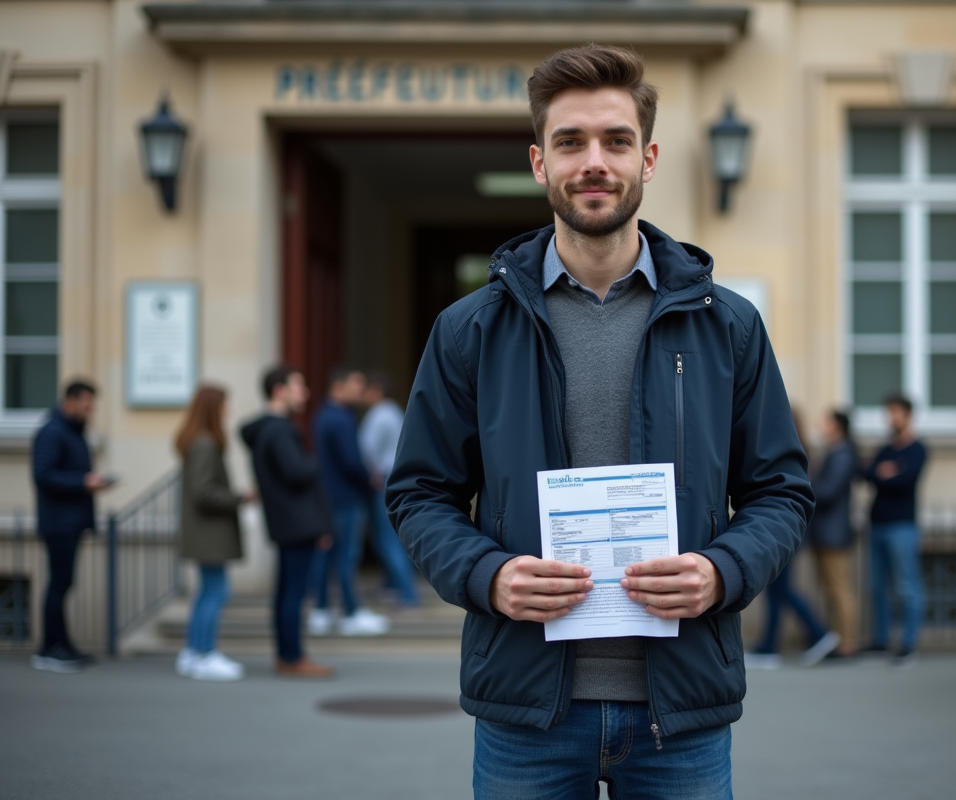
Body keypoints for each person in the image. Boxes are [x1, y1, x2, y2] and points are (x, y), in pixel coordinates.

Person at [388, 45, 812, 799]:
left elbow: (781, 491)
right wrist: (487, 576)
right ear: (538, 161)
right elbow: (419, 493)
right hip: (527, 714)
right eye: (570, 142)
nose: (594, 161)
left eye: (615, 141)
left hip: (680, 714)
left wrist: (722, 572)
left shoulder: (728, 327)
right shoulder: (471, 330)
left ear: (647, 159)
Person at [240, 366, 334, 679]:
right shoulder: (279, 429)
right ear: (279, 390)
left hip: (285, 521)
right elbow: (295, 472)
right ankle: (292, 657)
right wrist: (314, 463)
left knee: (286, 592)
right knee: (294, 593)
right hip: (297, 522)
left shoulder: (267, 429)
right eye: (298, 386)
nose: (304, 393)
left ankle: (286, 654)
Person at [30, 379, 115, 672]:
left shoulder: (71, 432)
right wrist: (83, 481)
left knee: (63, 584)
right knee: (58, 584)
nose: (90, 411)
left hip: (70, 522)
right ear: (70, 402)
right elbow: (43, 474)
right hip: (59, 523)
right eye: (86, 404)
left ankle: (60, 644)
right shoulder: (53, 432)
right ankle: (51, 648)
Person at [174, 384, 255, 682]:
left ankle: (195, 652)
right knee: (216, 592)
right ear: (213, 408)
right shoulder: (205, 443)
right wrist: (239, 498)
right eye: (224, 404)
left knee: (207, 592)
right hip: (209, 532)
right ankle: (204, 653)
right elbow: (204, 492)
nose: (228, 409)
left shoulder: (198, 440)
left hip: (203, 531)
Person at [750, 407, 840, 668]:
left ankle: (819, 634)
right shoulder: (801, 449)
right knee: (777, 588)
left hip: (787, 528)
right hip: (793, 527)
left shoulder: (788, 451)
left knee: (781, 588)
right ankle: (769, 646)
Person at [308, 367, 390, 636]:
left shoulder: (323, 415)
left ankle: (321, 609)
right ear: (339, 386)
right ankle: (351, 612)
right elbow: (352, 461)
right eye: (356, 385)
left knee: (327, 555)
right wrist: (370, 479)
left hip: (329, 498)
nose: (360, 391)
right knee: (346, 556)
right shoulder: (340, 419)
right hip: (347, 498)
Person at [862, 393, 927, 667]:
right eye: (888, 412)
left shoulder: (917, 449)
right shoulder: (886, 449)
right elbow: (866, 475)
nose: (890, 417)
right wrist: (883, 472)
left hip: (902, 526)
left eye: (895, 412)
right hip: (877, 525)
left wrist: (885, 474)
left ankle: (908, 644)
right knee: (878, 587)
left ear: (908, 415)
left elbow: (905, 480)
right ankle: (881, 639)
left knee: (906, 586)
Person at [359, 371, 421, 609]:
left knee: (386, 539)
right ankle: (393, 585)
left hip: (381, 478)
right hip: (394, 475)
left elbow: (367, 449)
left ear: (376, 391)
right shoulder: (394, 411)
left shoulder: (378, 415)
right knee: (393, 535)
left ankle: (408, 595)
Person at [809, 409, 860, 659]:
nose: (821, 425)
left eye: (825, 421)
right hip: (827, 531)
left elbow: (828, 491)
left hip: (834, 532)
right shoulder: (835, 451)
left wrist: (806, 487)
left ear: (837, 426)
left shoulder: (843, 453)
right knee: (832, 589)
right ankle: (838, 640)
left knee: (840, 589)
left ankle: (847, 644)